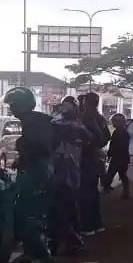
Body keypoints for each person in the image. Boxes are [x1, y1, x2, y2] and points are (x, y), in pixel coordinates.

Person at [2, 87, 55, 263]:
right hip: (40, 170)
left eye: (12, 105)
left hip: (36, 172)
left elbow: (37, 147)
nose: (10, 109)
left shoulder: (33, 122)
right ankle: (33, 252)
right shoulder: (36, 120)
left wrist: (23, 151)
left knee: (27, 215)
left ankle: (41, 255)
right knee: (31, 213)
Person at [50, 96, 92, 250]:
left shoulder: (70, 126)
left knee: (63, 208)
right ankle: (68, 241)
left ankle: (70, 241)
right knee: (64, 208)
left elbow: (90, 139)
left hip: (66, 172)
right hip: (64, 172)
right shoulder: (73, 126)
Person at [77, 93, 110, 234]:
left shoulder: (85, 118)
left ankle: (87, 226)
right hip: (96, 159)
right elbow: (107, 137)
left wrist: (89, 144)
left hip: (85, 158)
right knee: (93, 192)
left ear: (86, 102)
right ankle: (97, 224)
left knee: (84, 193)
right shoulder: (101, 118)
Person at [103, 113, 131, 198]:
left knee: (112, 174)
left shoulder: (118, 133)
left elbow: (114, 145)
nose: (113, 124)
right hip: (122, 157)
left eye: (114, 122)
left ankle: (107, 188)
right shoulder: (124, 133)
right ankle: (125, 192)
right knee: (122, 175)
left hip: (118, 158)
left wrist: (109, 154)